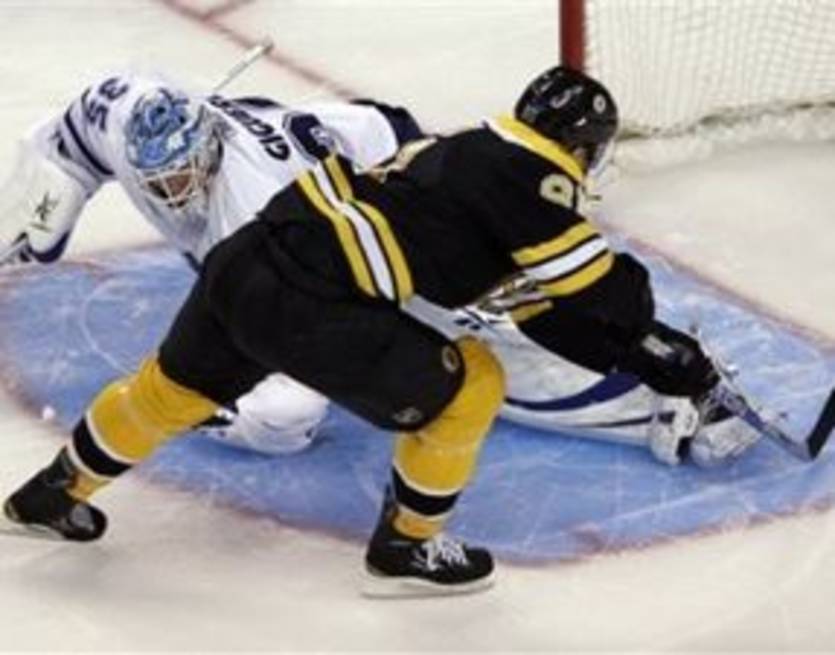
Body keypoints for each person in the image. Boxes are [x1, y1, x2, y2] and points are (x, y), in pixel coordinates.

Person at [4, 66, 757, 596]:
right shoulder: (538, 181)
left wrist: (644, 354)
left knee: (164, 392)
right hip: (309, 300)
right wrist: (669, 354)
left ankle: (48, 498)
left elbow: (545, 305)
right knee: (473, 385)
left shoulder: (455, 146)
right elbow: (604, 296)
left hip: (245, 257)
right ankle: (407, 549)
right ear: (586, 147)